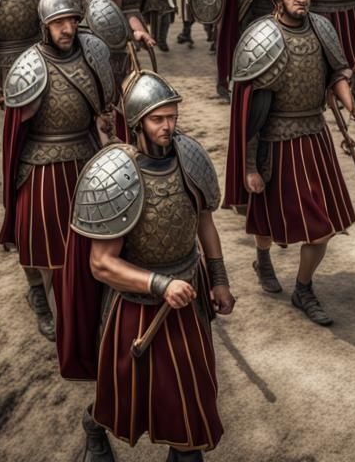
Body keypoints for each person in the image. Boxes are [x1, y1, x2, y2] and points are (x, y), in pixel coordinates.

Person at [61, 71, 234, 462]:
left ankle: (185, 452)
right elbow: (102, 265)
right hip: (136, 310)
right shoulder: (115, 174)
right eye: (158, 119)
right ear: (138, 122)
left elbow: (204, 221)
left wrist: (219, 278)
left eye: (172, 116)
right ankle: (95, 424)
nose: (168, 126)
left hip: (188, 296)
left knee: (191, 398)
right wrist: (159, 284)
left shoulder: (190, 157)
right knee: (125, 396)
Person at [224, 0, 355, 325]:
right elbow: (251, 114)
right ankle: (263, 259)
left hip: (315, 137)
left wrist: (349, 104)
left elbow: (335, 72)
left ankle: (303, 287)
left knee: (323, 227)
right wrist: (250, 166)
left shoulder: (320, 28)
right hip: (277, 142)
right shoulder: (264, 38)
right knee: (267, 219)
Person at [0, 0, 116, 340]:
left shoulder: (93, 52)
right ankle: (38, 293)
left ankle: (81, 307)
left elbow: (105, 105)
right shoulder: (29, 68)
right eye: (57, 23)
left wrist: (107, 124)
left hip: (84, 159)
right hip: (43, 168)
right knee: (45, 246)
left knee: (89, 245)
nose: (66, 29)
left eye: (70, 21)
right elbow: (15, 134)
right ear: (44, 27)